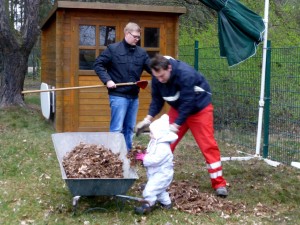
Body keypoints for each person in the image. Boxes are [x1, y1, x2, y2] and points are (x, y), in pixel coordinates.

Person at [135, 54, 228, 197]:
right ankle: (155, 182)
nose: (159, 80)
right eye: (156, 76)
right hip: (179, 108)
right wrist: (148, 119)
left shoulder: (186, 74)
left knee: (208, 145)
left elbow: (188, 102)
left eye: (162, 76)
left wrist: (176, 125)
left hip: (199, 109)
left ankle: (219, 183)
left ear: (169, 68)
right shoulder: (157, 75)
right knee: (162, 144)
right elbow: (157, 100)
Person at [94, 22, 151, 151]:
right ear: (127, 33)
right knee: (117, 128)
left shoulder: (141, 53)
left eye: (138, 37)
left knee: (129, 128)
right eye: (135, 36)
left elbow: (153, 68)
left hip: (133, 97)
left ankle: (127, 153)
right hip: (118, 96)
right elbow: (98, 65)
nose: (137, 39)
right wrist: (107, 80)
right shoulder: (113, 49)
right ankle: (114, 154)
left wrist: (164, 69)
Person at [135, 114, 178, 215]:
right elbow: (151, 153)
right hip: (157, 172)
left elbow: (155, 160)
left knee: (149, 190)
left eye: (152, 133)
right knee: (159, 190)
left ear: (160, 134)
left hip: (162, 174)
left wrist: (144, 158)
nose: (150, 135)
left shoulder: (163, 147)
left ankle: (147, 205)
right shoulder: (155, 142)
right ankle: (167, 203)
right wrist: (145, 154)